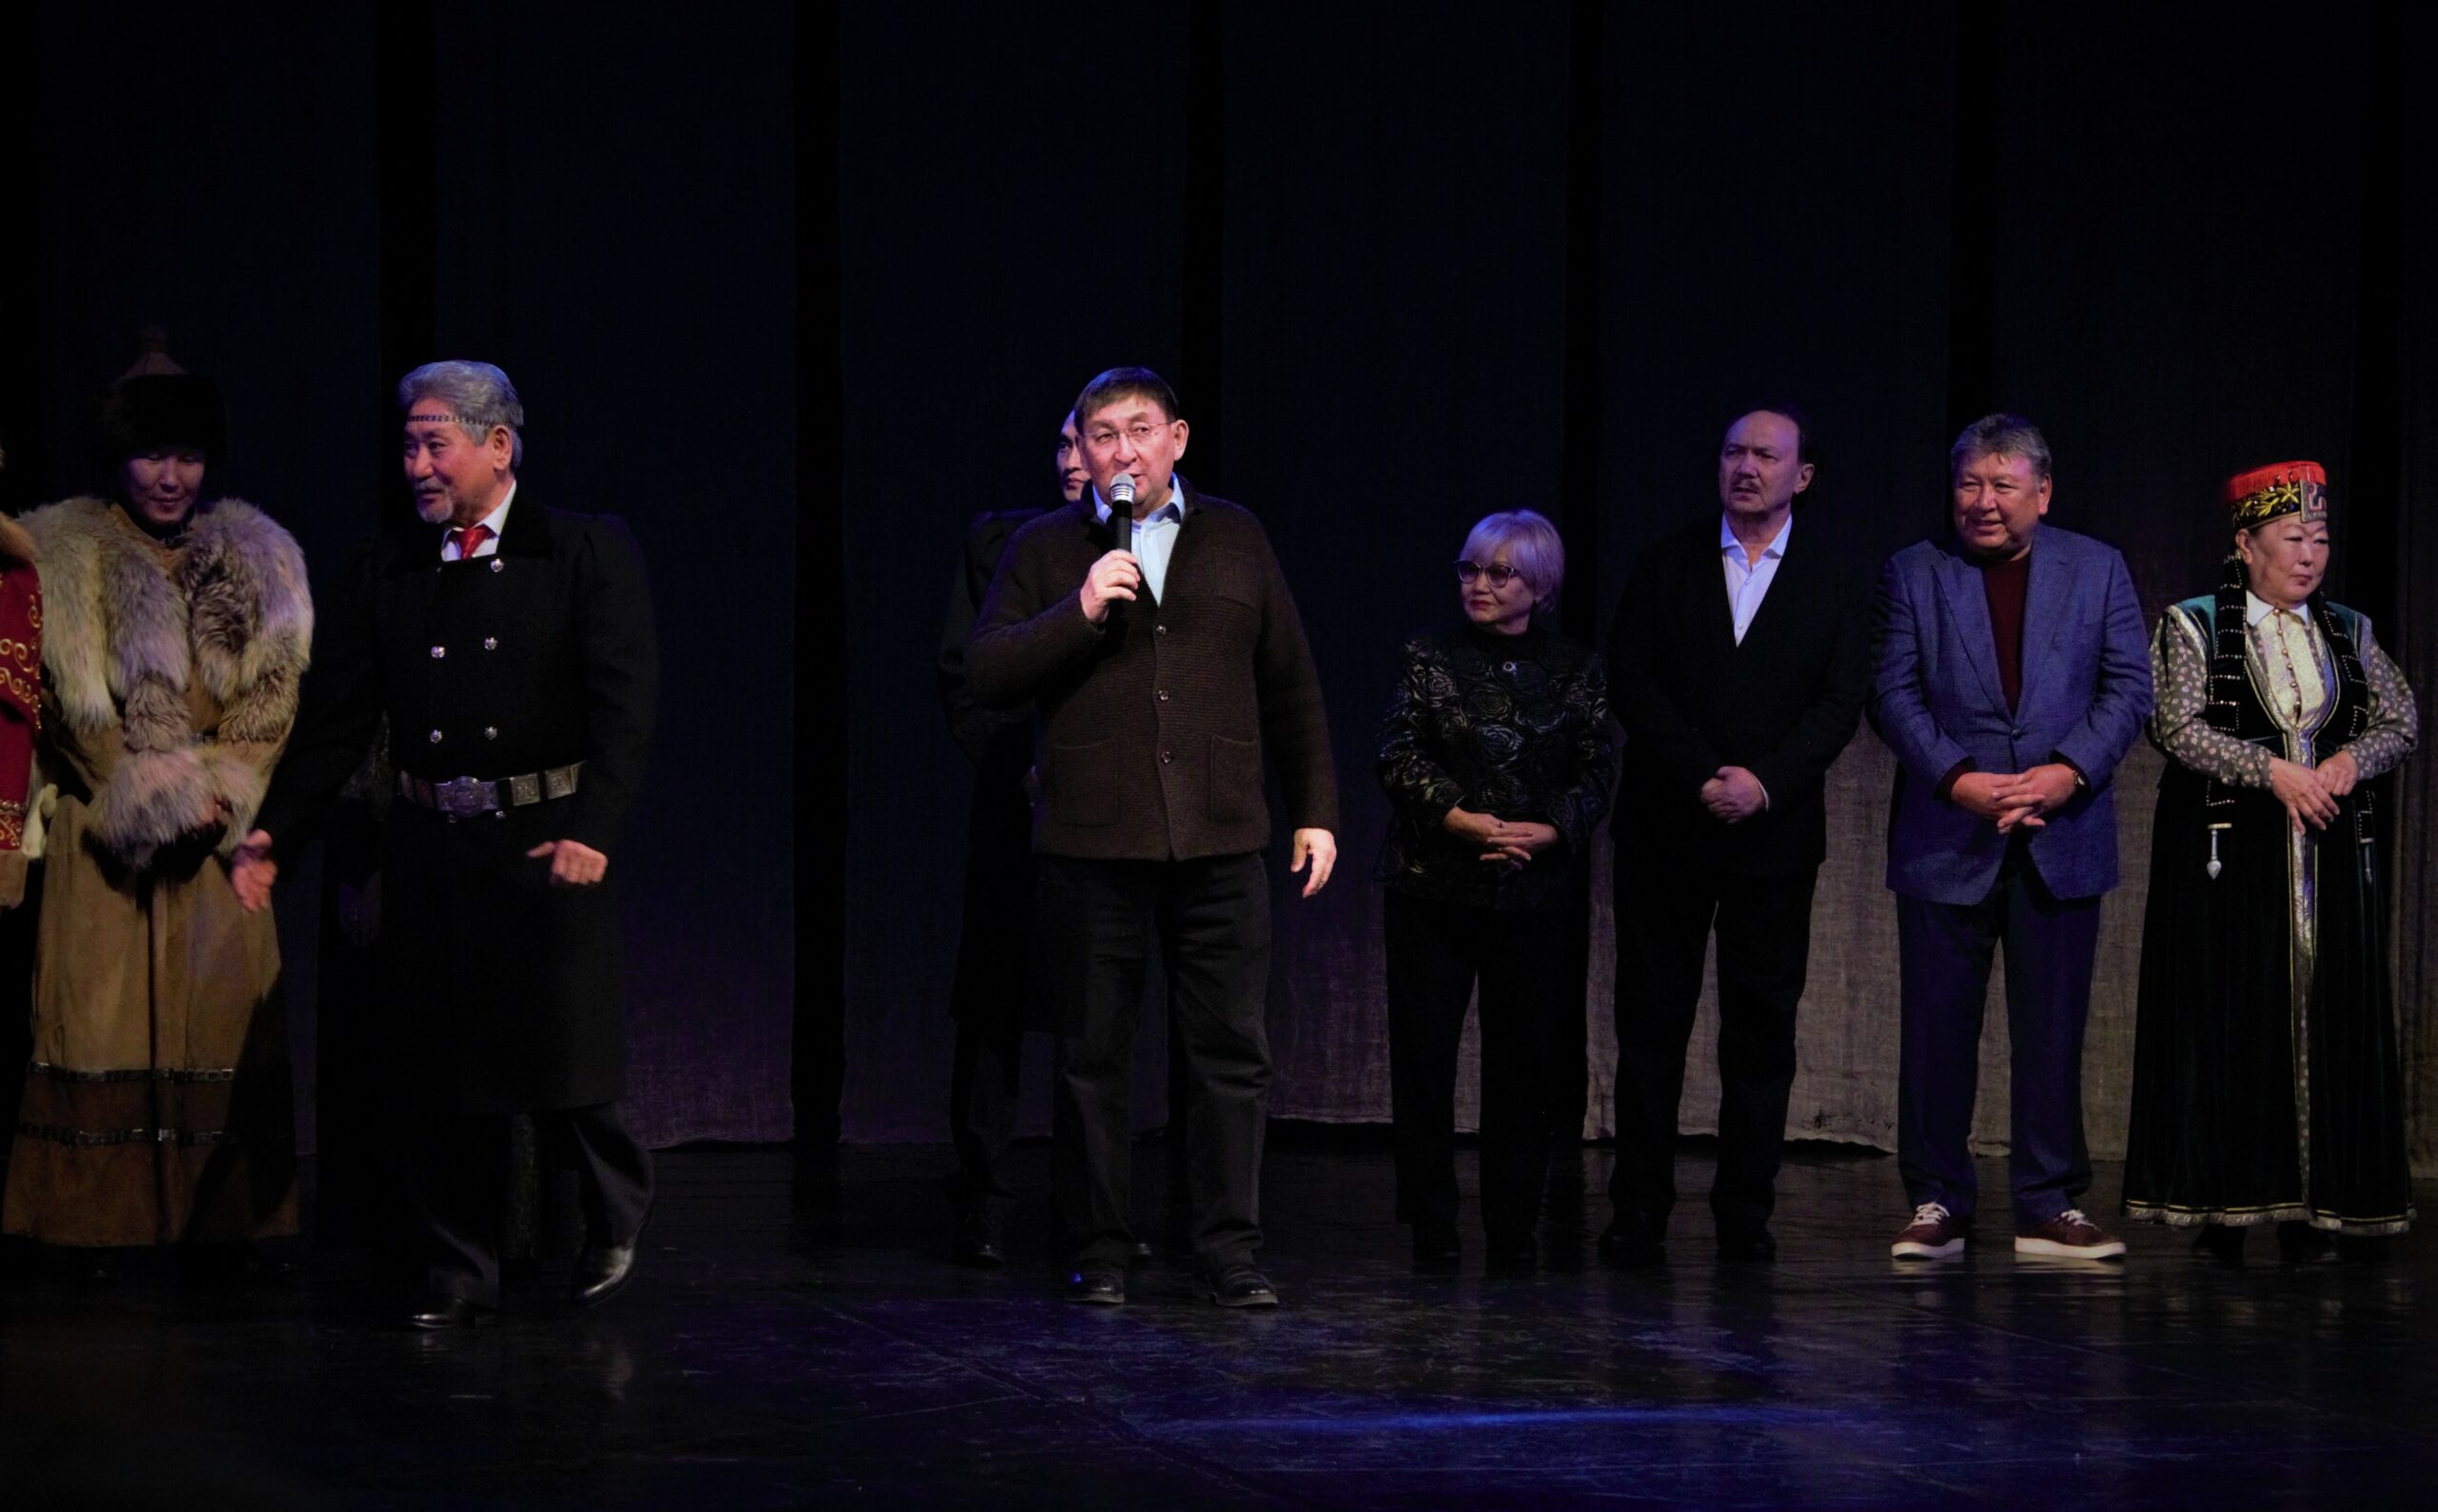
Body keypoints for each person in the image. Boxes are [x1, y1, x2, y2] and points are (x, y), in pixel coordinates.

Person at [233, 361, 659, 1328]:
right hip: (432, 844)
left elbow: (626, 708)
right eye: (408, 446)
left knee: (564, 1065)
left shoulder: (580, 551)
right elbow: (338, 721)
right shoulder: (389, 566)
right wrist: (276, 830)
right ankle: (459, 1271)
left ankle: (616, 1210)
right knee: (438, 1077)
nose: (416, 465)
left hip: (545, 844)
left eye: (436, 444)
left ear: (497, 447)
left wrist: (595, 829)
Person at [968, 366, 1337, 1308]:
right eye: (1102, 435)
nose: (1122, 451)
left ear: (1177, 439)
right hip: (1093, 842)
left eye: (1139, 430)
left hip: (1220, 835)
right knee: (1093, 1057)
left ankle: (1228, 1250)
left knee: (1230, 1054)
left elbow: (1290, 680)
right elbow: (987, 670)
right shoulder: (1046, 546)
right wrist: (1081, 608)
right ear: (1082, 451)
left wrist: (1316, 810)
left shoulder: (1237, 535)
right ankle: (1099, 1248)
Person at [5, 348, 310, 1273]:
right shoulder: (60, 551)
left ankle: (222, 1225)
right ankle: (99, 1225)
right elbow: (66, 708)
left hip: (219, 842)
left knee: (217, 1018)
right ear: (117, 457)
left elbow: (273, 702)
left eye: (188, 455)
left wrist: (220, 793)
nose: (171, 476)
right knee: (97, 1017)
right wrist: (147, 795)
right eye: (150, 455)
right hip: (107, 832)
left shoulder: (259, 554)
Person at [1869, 413, 2151, 1262]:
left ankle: (2048, 1201)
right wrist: (1959, 779)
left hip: (2062, 834)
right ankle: (1936, 1199)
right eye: (1969, 483)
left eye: (2002, 484)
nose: (1982, 501)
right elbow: (1892, 693)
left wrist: (2067, 772)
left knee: (2053, 1031)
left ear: (2043, 492)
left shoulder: (2097, 567)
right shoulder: (1915, 572)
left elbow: (2128, 688)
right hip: (1946, 833)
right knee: (1936, 1032)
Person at [2123, 461, 2417, 1262]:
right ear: (2246, 545)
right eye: (2292, 538)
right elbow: (2175, 726)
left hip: (2329, 858)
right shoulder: (2193, 625)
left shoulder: (2348, 630)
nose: (2309, 555)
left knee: (2329, 1020)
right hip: (2231, 861)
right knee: (2233, 1018)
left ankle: (2315, 1211)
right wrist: (2272, 771)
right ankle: (2225, 1211)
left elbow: (2400, 719)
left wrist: (2349, 761)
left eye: (2319, 539)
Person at [1601, 408, 1871, 1266]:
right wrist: (1702, 775)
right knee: (1651, 1028)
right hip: (1666, 829)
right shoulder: (1667, 561)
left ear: (1803, 475)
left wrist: (1764, 783)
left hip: (1774, 838)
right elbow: (1631, 680)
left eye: (1765, 455)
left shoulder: (1835, 577)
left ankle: (1744, 1214)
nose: (1745, 467)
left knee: (1760, 1035)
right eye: (1732, 452)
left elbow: (1840, 702)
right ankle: (1638, 1208)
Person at [1376, 509, 1613, 1269]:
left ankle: (1514, 1226)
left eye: (1500, 573)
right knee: (1424, 1061)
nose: (1479, 584)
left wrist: (1548, 830)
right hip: (1432, 889)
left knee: (1524, 1066)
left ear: (1539, 587)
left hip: (1533, 894)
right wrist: (1461, 819)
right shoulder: (1428, 657)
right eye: (1470, 569)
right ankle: (1431, 1224)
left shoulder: (1576, 668)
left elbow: (1597, 769)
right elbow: (1398, 753)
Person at [932, 410, 1078, 1267]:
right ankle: (984, 1195)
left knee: (1090, 1005)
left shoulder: (1149, 545)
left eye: (1087, 440)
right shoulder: (1004, 542)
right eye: (1062, 442)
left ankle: (1086, 1202)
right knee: (993, 1000)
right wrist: (1013, 764)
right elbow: (963, 673)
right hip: (1013, 799)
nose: (1074, 457)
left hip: (1104, 809)